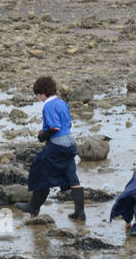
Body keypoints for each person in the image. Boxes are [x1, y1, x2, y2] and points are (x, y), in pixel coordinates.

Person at [16, 76, 86, 221]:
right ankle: (80, 213)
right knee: (72, 177)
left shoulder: (48, 105)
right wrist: (46, 131)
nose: (39, 99)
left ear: (41, 93)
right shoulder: (62, 102)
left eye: (38, 96)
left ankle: (33, 206)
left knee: (39, 169)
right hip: (70, 144)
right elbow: (67, 124)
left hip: (57, 146)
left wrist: (43, 136)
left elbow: (54, 127)